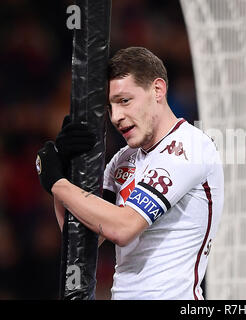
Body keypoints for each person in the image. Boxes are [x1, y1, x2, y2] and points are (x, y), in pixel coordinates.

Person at [35, 47, 224, 300]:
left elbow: (124, 228)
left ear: (158, 90)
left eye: (124, 101)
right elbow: (81, 239)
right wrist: (68, 169)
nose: (116, 117)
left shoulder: (189, 147)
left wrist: (57, 184)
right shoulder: (123, 159)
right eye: (110, 107)